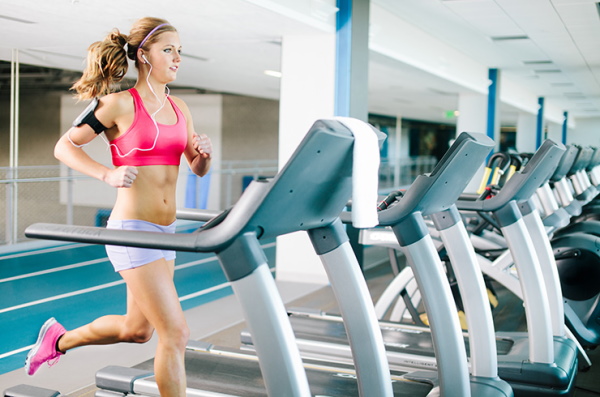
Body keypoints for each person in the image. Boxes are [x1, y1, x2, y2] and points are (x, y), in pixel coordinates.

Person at [24, 17, 212, 397]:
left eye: (179, 51)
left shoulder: (181, 108)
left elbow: (197, 168)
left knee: (137, 330)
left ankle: (56, 341)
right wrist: (106, 174)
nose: (177, 58)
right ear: (143, 55)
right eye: (168, 49)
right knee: (175, 333)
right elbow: (64, 147)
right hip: (132, 229)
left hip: (166, 233)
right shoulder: (117, 104)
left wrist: (205, 155)